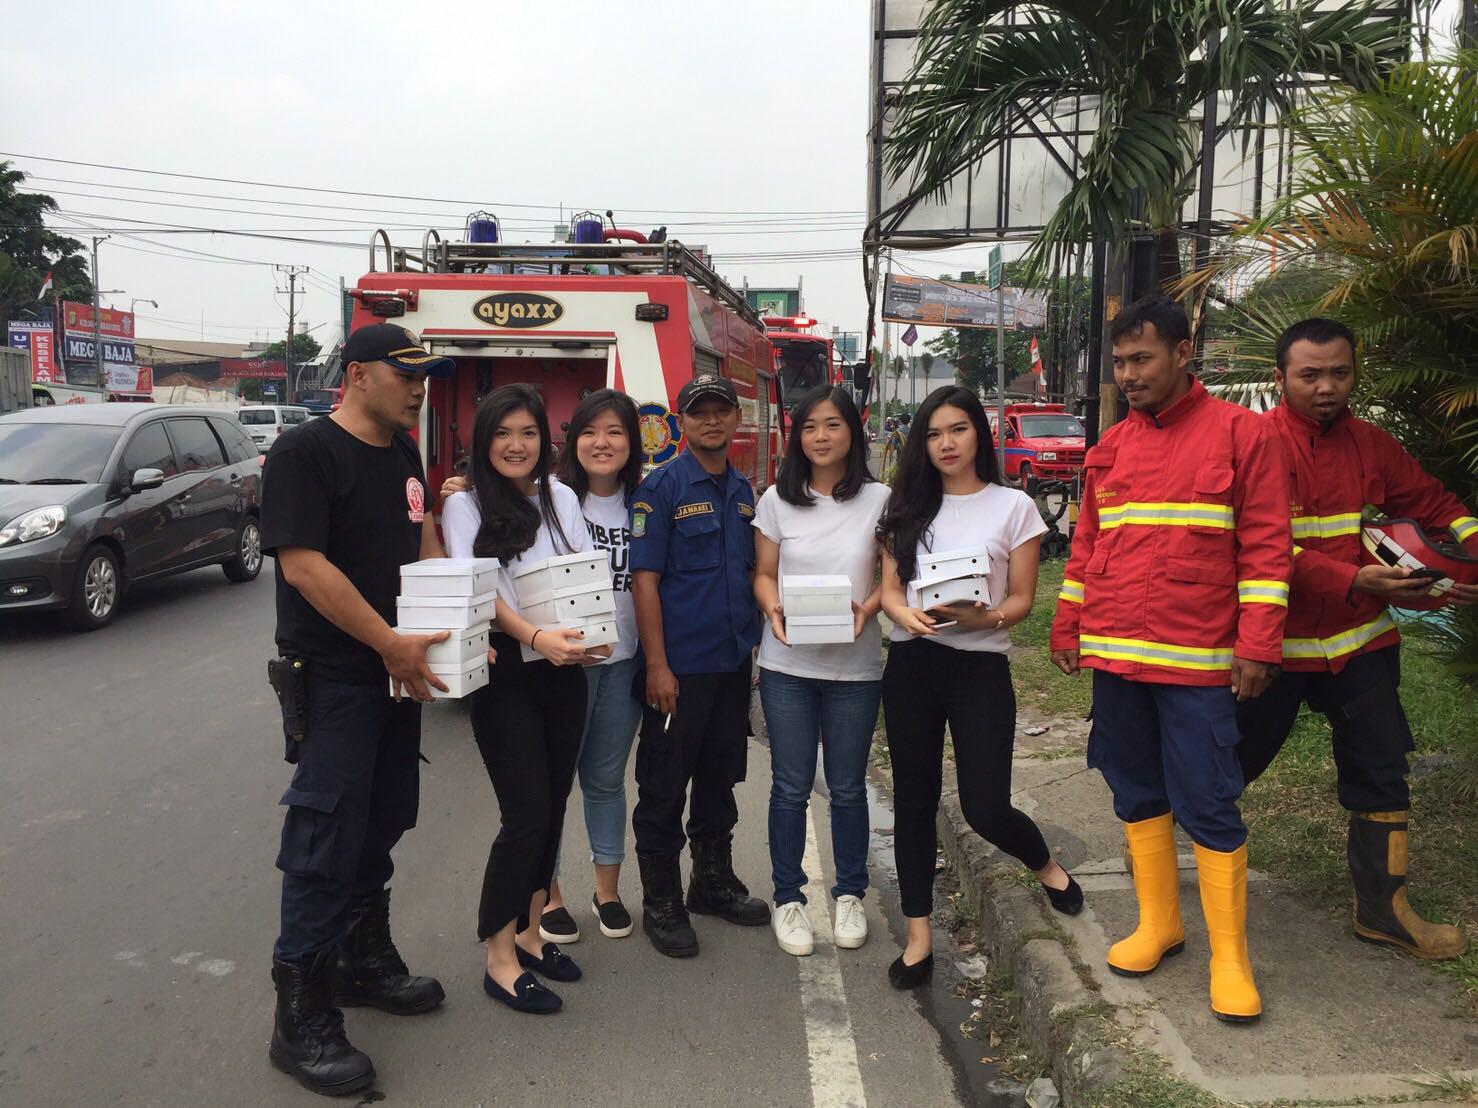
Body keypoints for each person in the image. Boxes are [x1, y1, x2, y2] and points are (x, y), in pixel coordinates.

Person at [1049, 295, 1291, 1024]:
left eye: (1142, 358)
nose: (1129, 374)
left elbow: (1267, 549)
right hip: (1120, 662)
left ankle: (1230, 958)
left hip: (1198, 665)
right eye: (1120, 362)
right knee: (1135, 791)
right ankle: (1160, 923)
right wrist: (1068, 621)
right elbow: (1088, 546)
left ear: (1184, 354)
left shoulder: (1242, 436)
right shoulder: (1113, 446)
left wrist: (1257, 644)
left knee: (1209, 801)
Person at [1236, 317, 1477, 959]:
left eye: (1339, 372)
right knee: (1223, 769)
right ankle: (1169, 866)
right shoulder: (1253, 445)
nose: (1326, 387)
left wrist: (1469, 556)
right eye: (1310, 374)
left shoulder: (1373, 444)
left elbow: (1437, 503)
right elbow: (1254, 548)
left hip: (1360, 646)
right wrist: (1355, 578)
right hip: (1273, 647)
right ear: (1280, 377)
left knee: (1382, 771)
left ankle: (1383, 910)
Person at [260, 323, 458, 1097]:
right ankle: (300, 1015)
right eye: (406, 374)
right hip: (341, 676)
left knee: (382, 820)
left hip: (395, 673)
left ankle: (360, 961)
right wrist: (390, 644)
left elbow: (424, 545)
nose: (420, 388)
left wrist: (455, 625)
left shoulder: (404, 453)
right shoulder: (305, 454)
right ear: (358, 375)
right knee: (324, 839)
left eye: (424, 376)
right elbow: (305, 568)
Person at [877, 385, 1082, 990]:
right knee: (913, 803)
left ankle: (1045, 865)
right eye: (935, 433)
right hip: (912, 666)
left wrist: (983, 618)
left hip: (980, 669)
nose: (946, 443)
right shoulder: (905, 505)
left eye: (958, 430)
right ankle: (919, 940)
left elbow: (1020, 599)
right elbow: (890, 588)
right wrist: (903, 613)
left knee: (985, 805)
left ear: (979, 435)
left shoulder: (1012, 507)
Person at [442, 383, 602, 1015]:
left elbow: (581, 572)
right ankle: (499, 956)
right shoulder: (467, 504)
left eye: (529, 433)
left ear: (545, 440)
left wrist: (587, 636)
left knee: (554, 806)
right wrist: (535, 635)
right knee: (525, 814)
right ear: (484, 441)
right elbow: (479, 591)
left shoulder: (562, 495)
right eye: (503, 433)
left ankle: (533, 934)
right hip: (508, 672)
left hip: (565, 668)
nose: (517, 445)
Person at [629, 373, 769, 957]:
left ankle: (710, 882)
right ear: (681, 424)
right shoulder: (659, 490)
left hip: (731, 665)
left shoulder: (743, 490)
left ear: (736, 419)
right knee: (663, 786)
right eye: (699, 413)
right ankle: (660, 901)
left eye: (721, 411)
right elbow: (645, 581)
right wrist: (657, 665)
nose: (711, 421)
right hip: (678, 671)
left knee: (719, 779)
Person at [753, 386, 892, 957]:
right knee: (788, 788)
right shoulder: (777, 500)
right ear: (796, 436)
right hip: (787, 663)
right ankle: (789, 899)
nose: (820, 437)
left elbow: (893, 576)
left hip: (855, 670)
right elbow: (763, 573)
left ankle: (849, 894)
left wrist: (872, 605)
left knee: (846, 788)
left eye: (832, 425)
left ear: (852, 431)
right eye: (809, 427)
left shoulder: (882, 498)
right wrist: (773, 608)